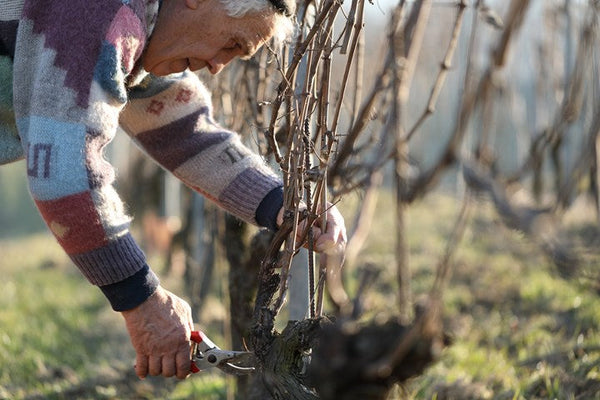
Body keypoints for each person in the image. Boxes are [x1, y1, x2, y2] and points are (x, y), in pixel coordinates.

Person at [0, 0, 346, 381]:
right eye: (232, 44)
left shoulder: (142, 28)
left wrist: (284, 204)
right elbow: (66, 170)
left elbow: (185, 134)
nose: (218, 66)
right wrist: (142, 299)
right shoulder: (100, 10)